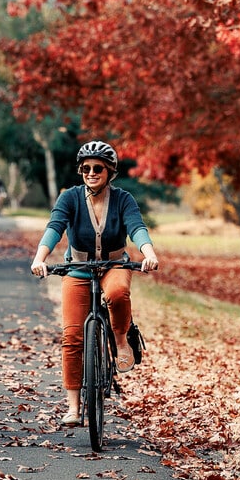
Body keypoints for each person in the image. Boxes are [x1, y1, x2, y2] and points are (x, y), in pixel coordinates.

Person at [30, 140, 160, 427]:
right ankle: (74, 408)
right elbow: (55, 227)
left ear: (110, 171)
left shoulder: (123, 199)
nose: (91, 173)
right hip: (77, 267)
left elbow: (136, 227)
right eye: (85, 168)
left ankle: (120, 339)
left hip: (114, 264)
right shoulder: (70, 198)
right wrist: (40, 258)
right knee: (73, 336)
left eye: (97, 168)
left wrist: (148, 253)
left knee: (117, 293)